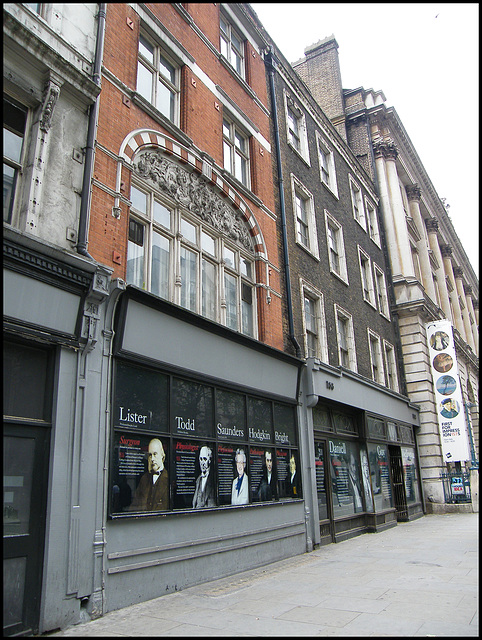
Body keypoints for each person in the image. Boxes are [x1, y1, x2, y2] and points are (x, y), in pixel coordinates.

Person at [129, 438, 168, 511]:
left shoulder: (169, 479)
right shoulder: (144, 479)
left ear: (162, 455)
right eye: (150, 455)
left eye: (155, 454)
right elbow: (134, 505)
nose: (152, 459)